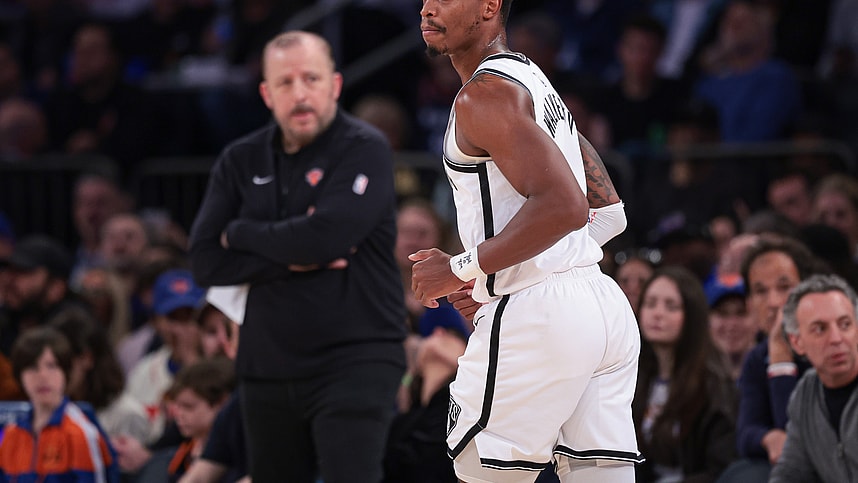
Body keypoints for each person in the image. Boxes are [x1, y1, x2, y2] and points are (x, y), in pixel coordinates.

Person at [412, 1, 642, 481]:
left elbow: (565, 207)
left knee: (482, 471)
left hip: (542, 316)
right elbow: (608, 213)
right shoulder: (533, 80)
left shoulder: (484, 97)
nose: (428, 7)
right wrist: (498, 277)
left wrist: (461, 271)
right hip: (601, 307)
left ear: (490, 7)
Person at [188, 31, 406, 482]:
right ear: (267, 94)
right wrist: (290, 252)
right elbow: (206, 261)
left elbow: (325, 239)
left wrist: (242, 233)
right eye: (285, 83)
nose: (300, 93)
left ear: (336, 85)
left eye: (311, 78)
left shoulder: (364, 148)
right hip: (267, 364)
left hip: (356, 356)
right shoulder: (240, 159)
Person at [718, 236, 823, 482]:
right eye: (760, 291)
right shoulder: (757, 357)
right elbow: (745, 434)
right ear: (750, 303)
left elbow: (800, 442)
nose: (774, 302)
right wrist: (767, 438)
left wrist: (780, 356)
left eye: (784, 287)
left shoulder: (829, 346)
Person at [633, 266, 737, 482]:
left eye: (671, 306)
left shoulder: (714, 384)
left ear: (692, 316)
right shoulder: (634, 377)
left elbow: (722, 467)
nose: (657, 313)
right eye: (650, 303)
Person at [0, 327, 118, 483]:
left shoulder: (81, 433)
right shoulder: (10, 435)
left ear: (66, 372)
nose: (42, 376)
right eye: (32, 367)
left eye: (51, 366)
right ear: (19, 376)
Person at [770, 273, 858, 483]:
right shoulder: (805, 394)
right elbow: (790, 472)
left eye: (845, 324)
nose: (836, 339)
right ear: (797, 342)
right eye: (820, 329)